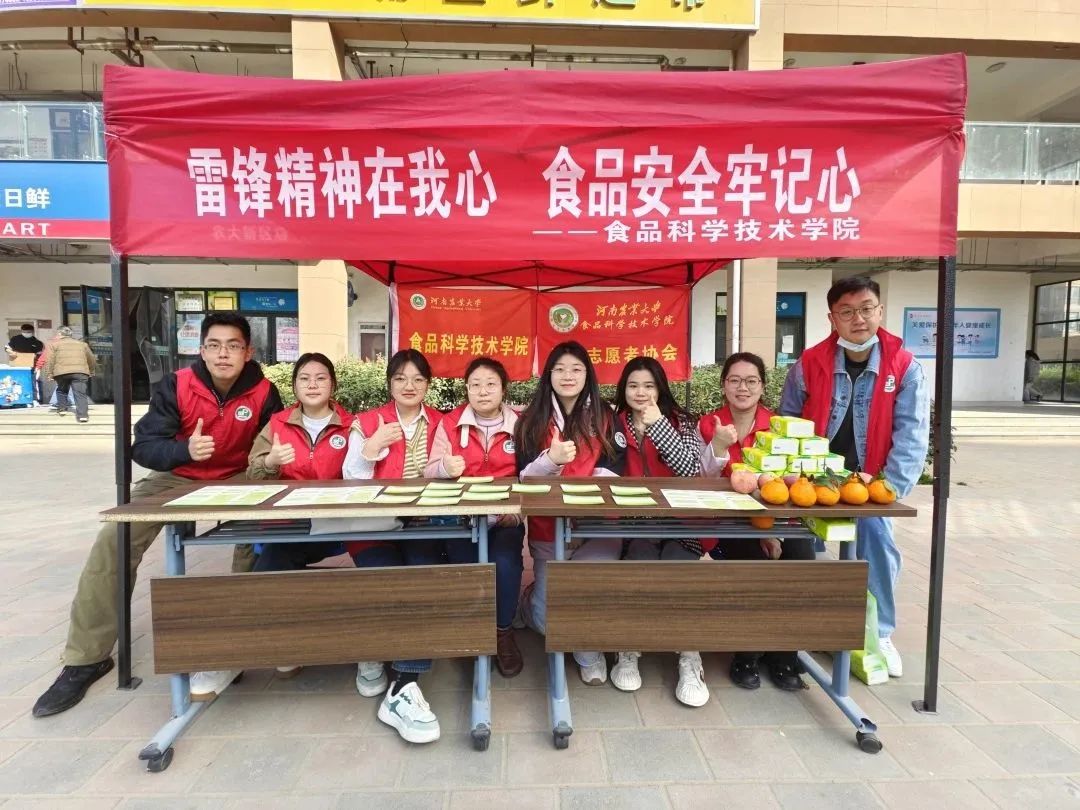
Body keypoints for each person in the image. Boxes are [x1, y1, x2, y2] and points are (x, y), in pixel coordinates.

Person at [31, 313, 283, 718]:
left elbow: (270, 447)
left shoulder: (265, 392)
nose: (223, 354)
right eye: (214, 345)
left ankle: (233, 646)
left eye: (233, 346)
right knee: (115, 539)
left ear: (247, 352)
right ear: (202, 350)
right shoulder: (177, 384)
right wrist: (184, 450)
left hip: (238, 476)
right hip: (176, 475)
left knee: (259, 535)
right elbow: (145, 447)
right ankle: (86, 658)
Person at [780, 276, 929, 678]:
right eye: (846, 312)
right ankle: (817, 625)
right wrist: (791, 475)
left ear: (880, 311)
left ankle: (879, 633)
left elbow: (912, 437)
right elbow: (788, 419)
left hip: (868, 482)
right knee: (800, 543)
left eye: (865, 309)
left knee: (875, 539)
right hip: (812, 479)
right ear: (832, 318)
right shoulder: (809, 364)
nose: (858, 319)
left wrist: (887, 489)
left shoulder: (904, 366)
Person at [342, 348, 444, 744]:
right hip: (373, 526)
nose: (409, 386)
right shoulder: (368, 422)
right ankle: (372, 647)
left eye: (418, 379)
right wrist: (371, 449)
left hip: (423, 525)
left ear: (428, 385)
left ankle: (403, 683)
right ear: (389, 383)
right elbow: (350, 478)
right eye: (401, 378)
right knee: (384, 580)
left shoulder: (441, 422)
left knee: (423, 580)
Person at [701, 351, 815, 691]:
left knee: (801, 556)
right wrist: (719, 445)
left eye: (751, 381)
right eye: (735, 380)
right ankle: (747, 654)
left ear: (763, 386)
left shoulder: (779, 428)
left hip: (776, 521)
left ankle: (784, 654)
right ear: (723, 385)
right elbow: (702, 480)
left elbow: (788, 484)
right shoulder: (708, 424)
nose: (743, 388)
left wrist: (773, 529)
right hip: (728, 523)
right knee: (750, 559)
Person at [235, 352, 353, 679]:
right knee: (270, 568)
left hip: (338, 523)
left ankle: (362, 652)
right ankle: (268, 647)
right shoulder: (278, 424)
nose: (312, 384)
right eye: (304, 378)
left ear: (333, 385)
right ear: (295, 386)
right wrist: (270, 462)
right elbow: (253, 474)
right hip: (289, 523)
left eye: (321, 378)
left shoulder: (352, 425)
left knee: (374, 569)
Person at [514, 340, 625, 685]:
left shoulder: (605, 416)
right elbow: (523, 479)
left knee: (588, 589)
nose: (568, 376)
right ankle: (530, 600)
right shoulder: (532, 419)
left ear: (587, 375)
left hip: (596, 530)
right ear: (548, 375)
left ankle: (586, 651)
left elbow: (615, 472)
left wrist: (583, 504)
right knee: (547, 621)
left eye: (576, 369)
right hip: (548, 530)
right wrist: (550, 460)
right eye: (560, 369)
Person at [610, 356, 710, 706]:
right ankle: (628, 647)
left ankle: (689, 654)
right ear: (623, 389)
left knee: (678, 571)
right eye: (633, 385)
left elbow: (690, 471)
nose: (640, 393)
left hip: (681, 521)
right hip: (634, 522)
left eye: (648, 386)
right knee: (638, 567)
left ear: (660, 388)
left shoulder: (681, 422)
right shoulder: (614, 423)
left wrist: (659, 426)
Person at [425, 357, 526, 678]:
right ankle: (471, 632)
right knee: (466, 569)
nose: (483, 391)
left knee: (506, 565)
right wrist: (444, 468)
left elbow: (532, 476)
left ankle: (502, 632)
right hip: (462, 520)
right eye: (475, 385)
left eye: (490, 384)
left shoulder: (521, 425)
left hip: (505, 519)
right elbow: (429, 471)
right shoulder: (450, 422)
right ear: (466, 389)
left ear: (503, 389)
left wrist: (516, 512)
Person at [44, 326, 96, 423]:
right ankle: (83, 416)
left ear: (59, 334)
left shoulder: (54, 345)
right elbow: (91, 358)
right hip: (80, 372)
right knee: (80, 393)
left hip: (61, 372)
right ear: (71, 335)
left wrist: (49, 373)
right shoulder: (82, 344)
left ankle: (62, 409)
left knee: (61, 390)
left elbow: (50, 360)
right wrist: (91, 370)